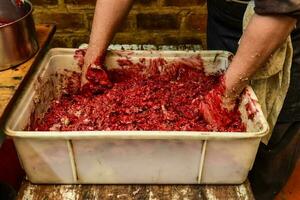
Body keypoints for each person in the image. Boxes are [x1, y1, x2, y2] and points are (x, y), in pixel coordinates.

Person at [82, 0, 300, 199]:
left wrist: (224, 96)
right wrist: (92, 60)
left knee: (266, 154)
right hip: (227, 14)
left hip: (286, 27)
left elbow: (283, 5)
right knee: (213, 165)